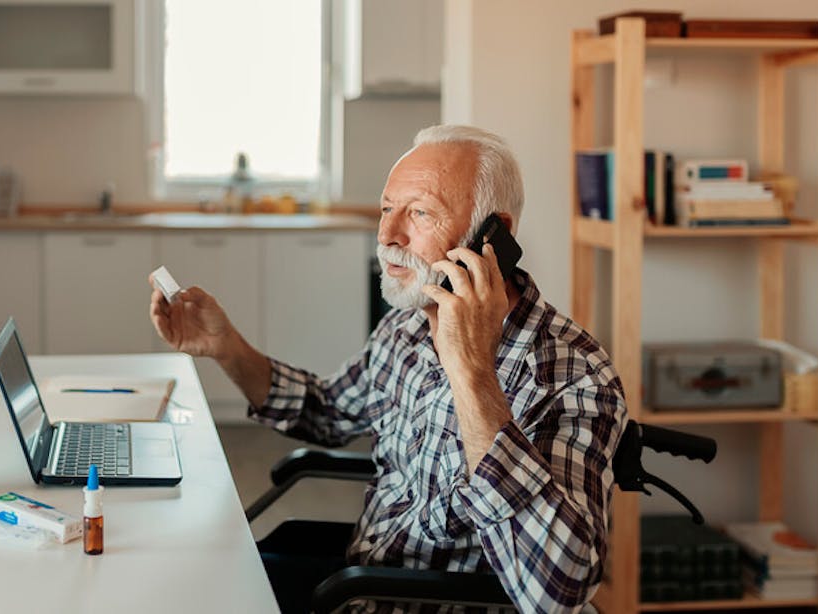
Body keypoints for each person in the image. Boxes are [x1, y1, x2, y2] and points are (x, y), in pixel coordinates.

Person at [147, 125, 627, 613]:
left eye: (419, 213)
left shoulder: (575, 376)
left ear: (493, 234)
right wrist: (226, 347)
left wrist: (473, 371)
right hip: (358, 581)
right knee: (181, 584)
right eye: (386, 209)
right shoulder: (406, 327)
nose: (386, 235)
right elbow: (325, 412)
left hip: (416, 601)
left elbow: (559, 592)